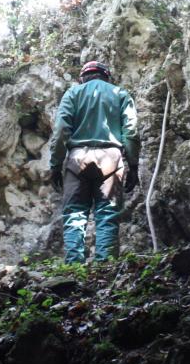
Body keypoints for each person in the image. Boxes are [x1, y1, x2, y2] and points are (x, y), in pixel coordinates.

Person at [47, 60, 139, 263]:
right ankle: (105, 267)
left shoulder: (72, 94)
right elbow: (131, 133)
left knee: (74, 215)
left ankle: (73, 268)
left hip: (76, 160)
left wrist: (55, 166)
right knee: (107, 215)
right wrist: (133, 166)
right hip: (111, 159)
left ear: (83, 77)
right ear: (106, 76)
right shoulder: (120, 94)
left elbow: (61, 131)